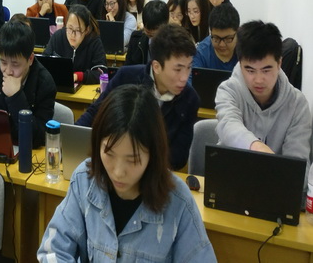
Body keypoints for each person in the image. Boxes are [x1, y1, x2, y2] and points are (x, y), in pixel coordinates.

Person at [38, 85, 216, 262]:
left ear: (153, 154)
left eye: (132, 160)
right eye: (109, 154)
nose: (118, 172)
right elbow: (53, 252)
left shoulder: (179, 202)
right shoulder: (84, 179)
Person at [76, 24, 198, 170]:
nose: (184, 77)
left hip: (156, 173)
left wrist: (138, 158)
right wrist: (73, 136)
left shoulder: (190, 99)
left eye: (189, 67)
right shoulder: (126, 77)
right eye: (178, 69)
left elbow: (179, 157)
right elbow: (95, 113)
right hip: (115, 164)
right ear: (156, 66)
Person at [216, 21, 312, 162]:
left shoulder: (298, 104)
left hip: (277, 176)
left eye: (266, 70)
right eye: (250, 70)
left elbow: (297, 164)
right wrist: (256, 147)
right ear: (240, 64)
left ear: (279, 63)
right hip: (230, 171)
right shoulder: (228, 90)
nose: (259, 80)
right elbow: (228, 126)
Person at [0, 21, 55, 147]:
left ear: (30, 59)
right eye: (3, 62)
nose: (8, 71)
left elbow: (38, 138)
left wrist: (16, 97)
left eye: (15, 64)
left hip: (24, 151)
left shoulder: (45, 83)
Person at [44, 4, 106, 84]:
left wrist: (78, 76)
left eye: (78, 30)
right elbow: (44, 63)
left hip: (84, 89)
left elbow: (102, 73)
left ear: (86, 30)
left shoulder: (94, 42)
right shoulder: (57, 37)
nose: (73, 35)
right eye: (70, 28)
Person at [192, 3, 240, 72]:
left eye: (228, 39)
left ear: (237, 32)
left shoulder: (247, 50)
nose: (222, 44)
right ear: (210, 32)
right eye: (216, 38)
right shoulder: (201, 54)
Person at [125, 0, 169, 66]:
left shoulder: (173, 44)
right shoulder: (136, 38)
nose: (150, 31)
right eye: (146, 27)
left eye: (155, 28)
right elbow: (128, 68)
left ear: (166, 24)